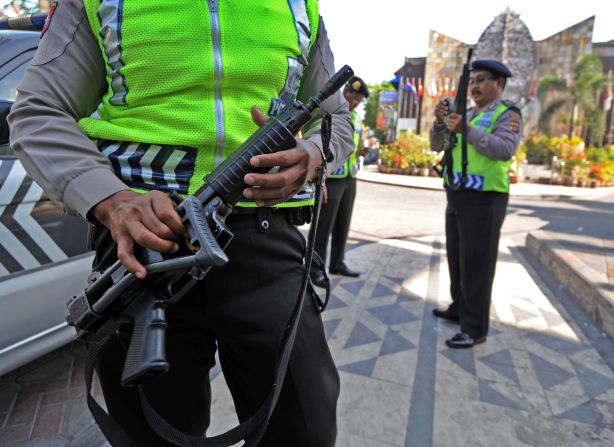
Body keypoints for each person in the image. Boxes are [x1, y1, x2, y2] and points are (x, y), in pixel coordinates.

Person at [8, 1, 355, 446]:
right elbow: (38, 110)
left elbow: (336, 118)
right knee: (154, 434)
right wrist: (112, 200)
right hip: (144, 249)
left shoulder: (298, 5)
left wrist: (313, 155)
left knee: (306, 430)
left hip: (264, 242)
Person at [429, 59, 523, 349]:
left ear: (499, 84)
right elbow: (437, 145)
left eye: (482, 80)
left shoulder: (508, 114)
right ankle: (459, 309)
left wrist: (467, 129)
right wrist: (439, 122)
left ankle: (475, 327)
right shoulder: (465, 113)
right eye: (472, 81)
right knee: (458, 258)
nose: (475, 86)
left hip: (486, 200)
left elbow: (504, 149)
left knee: (477, 265)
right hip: (457, 194)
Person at [311, 76, 369, 288]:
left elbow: (351, 146)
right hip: (331, 179)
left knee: (343, 224)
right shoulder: (331, 113)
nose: (354, 103)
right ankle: (315, 270)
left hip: (349, 178)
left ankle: (337, 263)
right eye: (352, 98)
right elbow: (320, 146)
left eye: (358, 101)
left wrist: (361, 151)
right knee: (323, 227)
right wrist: (321, 179)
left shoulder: (357, 119)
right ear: (344, 93)